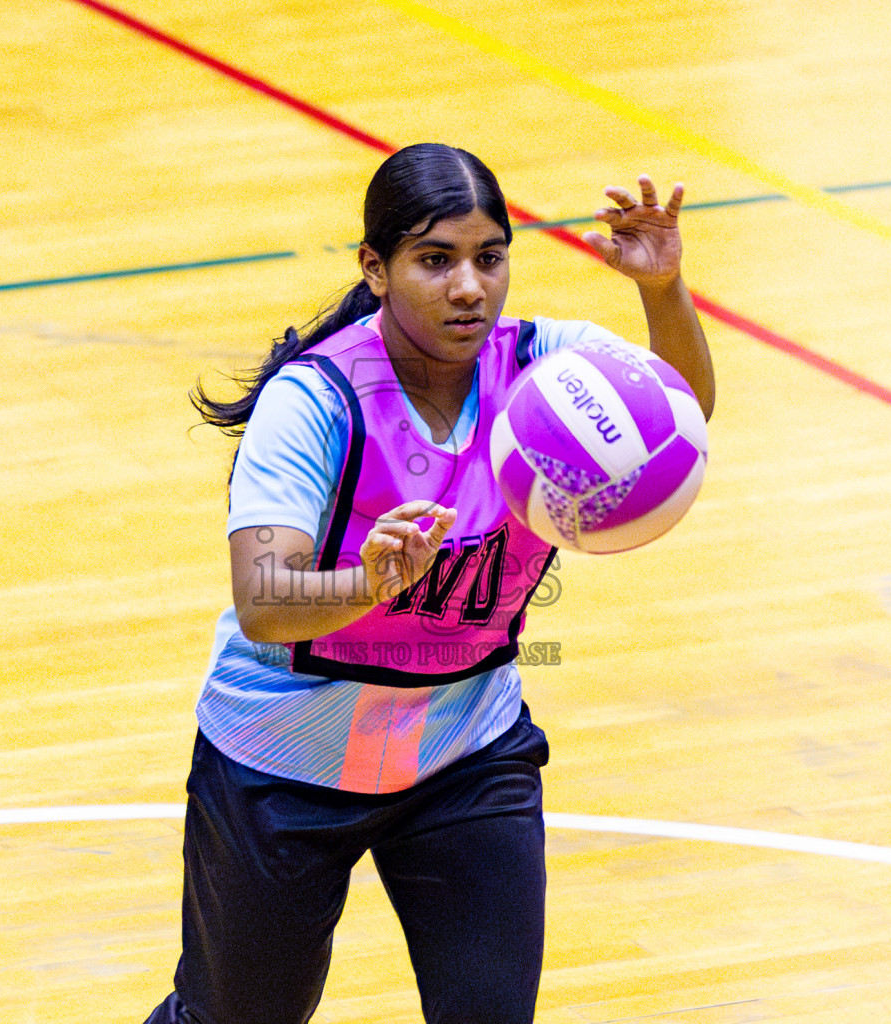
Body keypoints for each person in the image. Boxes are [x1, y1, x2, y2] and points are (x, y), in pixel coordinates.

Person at [141, 143, 714, 1024]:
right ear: (376, 268)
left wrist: (662, 289)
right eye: (435, 261)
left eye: (490, 258)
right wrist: (368, 584)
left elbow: (680, 414)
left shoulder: (544, 366)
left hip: (465, 751)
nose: (469, 288)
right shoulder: (316, 399)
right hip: (282, 762)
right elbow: (262, 602)